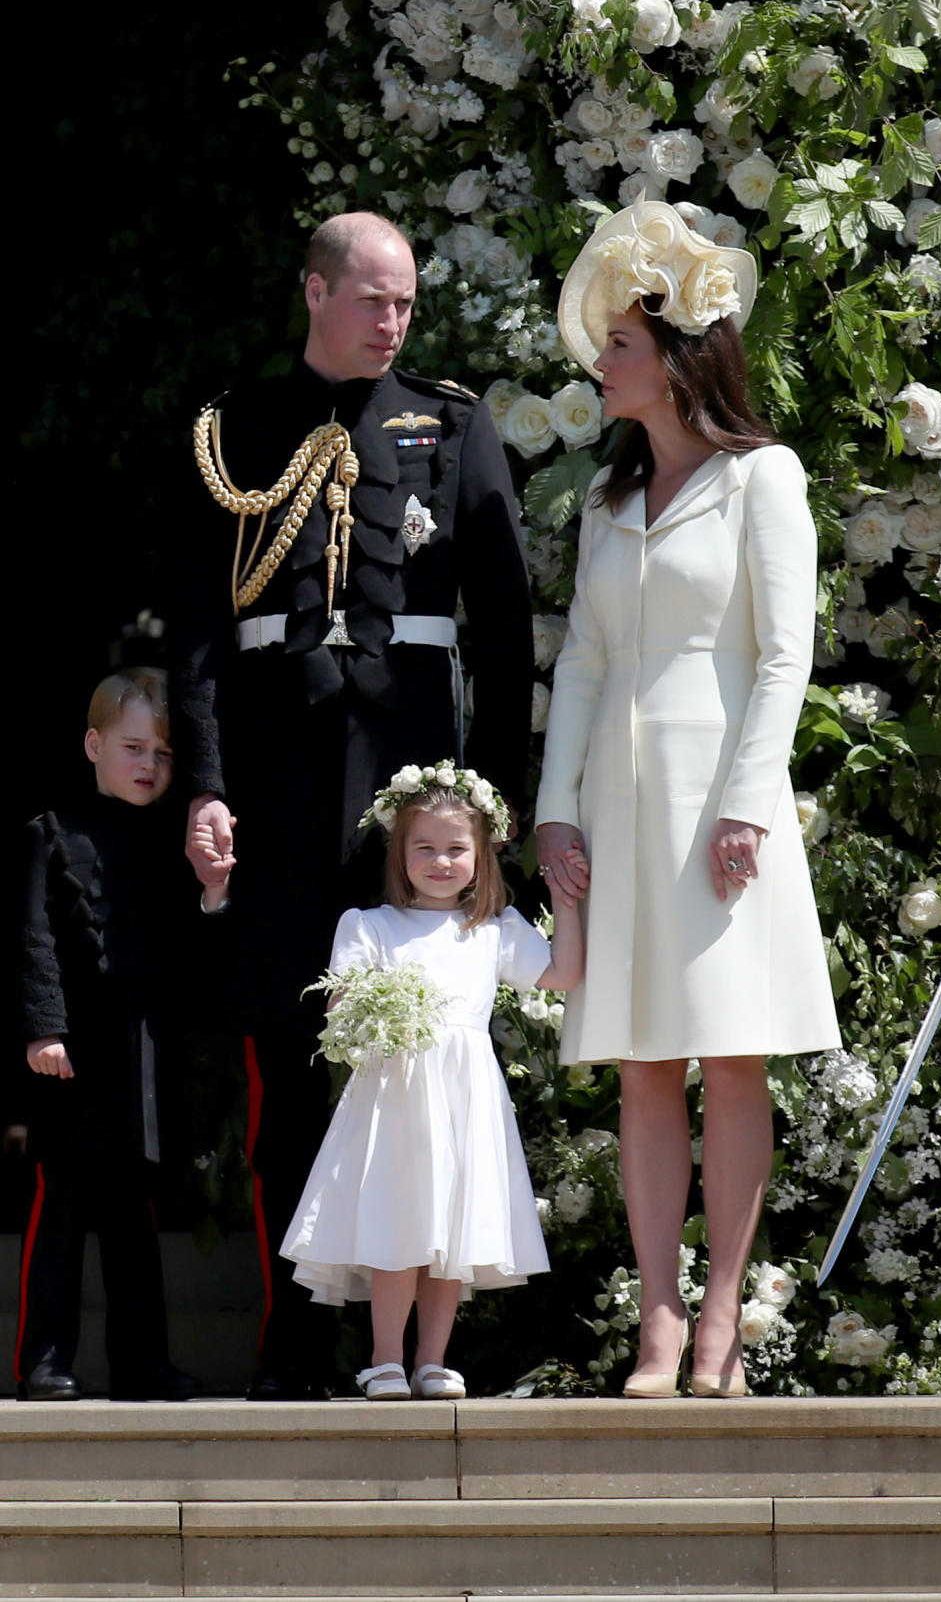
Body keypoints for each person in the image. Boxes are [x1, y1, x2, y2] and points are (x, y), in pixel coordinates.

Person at [171, 211, 534, 1399]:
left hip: (410, 794)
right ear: (315, 292)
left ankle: (426, 1343)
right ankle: (295, 1334)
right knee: (282, 1060)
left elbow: (503, 621)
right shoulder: (236, 432)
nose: (394, 322)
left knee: (429, 1067)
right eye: (374, 300)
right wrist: (209, 783)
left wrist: (495, 811)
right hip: (278, 786)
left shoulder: (456, 425)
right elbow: (202, 636)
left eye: (408, 304)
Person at [535, 198, 841, 1399]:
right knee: (642, 1066)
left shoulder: (765, 477)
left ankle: (721, 1320)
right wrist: (556, 809)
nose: (600, 361)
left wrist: (748, 804)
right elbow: (584, 663)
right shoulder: (608, 507)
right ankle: (656, 1320)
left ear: (674, 355)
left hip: (724, 802)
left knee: (728, 1060)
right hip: (621, 804)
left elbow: (784, 653)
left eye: (618, 343)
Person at [281, 762, 585, 1399]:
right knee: (400, 1224)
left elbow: (561, 976)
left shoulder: (493, 930)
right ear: (400, 852)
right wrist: (381, 1004)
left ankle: (432, 1359)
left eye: (456, 849)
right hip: (396, 1094)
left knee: (451, 1229)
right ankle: (384, 1358)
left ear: (481, 854)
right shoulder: (369, 927)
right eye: (425, 848)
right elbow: (340, 1007)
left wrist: (566, 900)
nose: (441, 861)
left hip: (463, 1098)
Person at [16, 668, 220, 1401]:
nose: (148, 765)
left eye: (164, 754)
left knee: (134, 1220)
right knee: (62, 1212)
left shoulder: (173, 843)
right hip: (72, 1059)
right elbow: (34, 942)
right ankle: (44, 1359)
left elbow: (194, 947)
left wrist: (214, 888)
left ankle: (143, 1361)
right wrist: (44, 1031)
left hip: (142, 1057)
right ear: (94, 744)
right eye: (134, 747)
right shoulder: (48, 833)